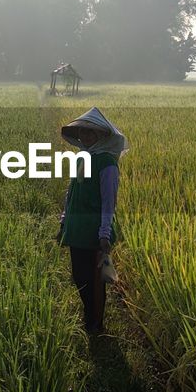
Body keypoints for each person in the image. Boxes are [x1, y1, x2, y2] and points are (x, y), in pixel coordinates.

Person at [57, 107, 126, 333]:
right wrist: (64, 220)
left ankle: (95, 323)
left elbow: (109, 201)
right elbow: (72, 191)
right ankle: (89, 314)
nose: (85, 136)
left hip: (95, 230)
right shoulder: (82, 157)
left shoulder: (107, 163)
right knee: (79, 276)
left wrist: (104, 233)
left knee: (95, 280)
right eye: (83, 132)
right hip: (76, 228)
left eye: (90, 132)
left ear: (101, 135)